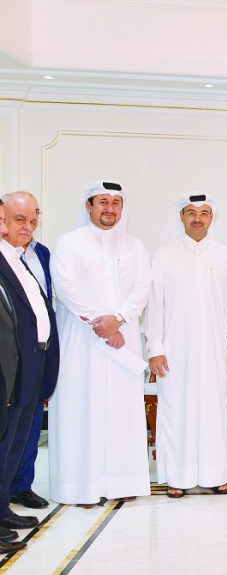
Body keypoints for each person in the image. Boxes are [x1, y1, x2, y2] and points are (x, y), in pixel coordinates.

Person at [50, 181, 152, 505]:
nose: (110, 209)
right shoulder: (68, 243)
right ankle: (81, 487)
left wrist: (118, 318)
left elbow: (142, 287)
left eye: (116, 203)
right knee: (82, 409)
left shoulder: (135, 246)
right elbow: (65, 288)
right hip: (82, 340)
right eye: (103, 202)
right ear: (89, 206)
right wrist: (101, 321)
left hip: (123, 339)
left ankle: (123, 482)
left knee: (123, 411)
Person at [145, 194, 227, 498]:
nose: (197, 218)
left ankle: (216, 473)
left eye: (203, 213)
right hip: (175, 350)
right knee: (177, 409)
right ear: (181, 217)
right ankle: (177, 476)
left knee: (214, 408)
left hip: (216, 349)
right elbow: (154, 306)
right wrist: (155, 348)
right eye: (191, 213)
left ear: (212, 218)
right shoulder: (164, 255)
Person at [0, 197, 55, 553]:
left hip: (29, 363)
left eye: (32, 222)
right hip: (9, 366)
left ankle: (2, 507)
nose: (25, 228)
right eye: (18, 219)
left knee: (17, 441)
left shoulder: (22, 260)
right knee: (5, 442)